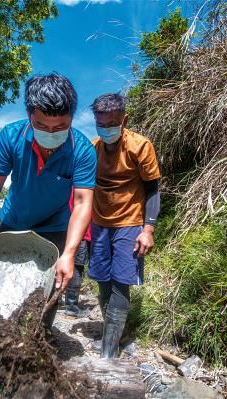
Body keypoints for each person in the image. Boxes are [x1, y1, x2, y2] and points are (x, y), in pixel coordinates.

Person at [0, 73, 97, 348]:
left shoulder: (83, 150)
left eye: (60, 126)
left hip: (54, 228)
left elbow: (82, 203)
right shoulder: (11, 136)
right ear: (30, 115)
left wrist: (69, 253)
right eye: (42, 125)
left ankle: (33, 340)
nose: (51, 133)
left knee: (49, 289)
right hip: (12, 220)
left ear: (72, 119)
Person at [88, 93, 161, 358]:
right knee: (102, 281)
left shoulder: (140, 146)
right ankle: (116, 333)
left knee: (121, 282)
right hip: (99, 223)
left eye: (112, 123)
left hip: (130, 222)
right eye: (101, 124)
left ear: (124, 120)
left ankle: (109, 350)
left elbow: (152, 189)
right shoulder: (92, 148)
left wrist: (148, 229)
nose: (106, 129)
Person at [64, 190, 92, 318]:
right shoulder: (84, 184)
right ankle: (71, 307)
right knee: (77, 267)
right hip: (81, 232)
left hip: (70, 230)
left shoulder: (71, 182)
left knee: (70, 265)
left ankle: (62, 301)